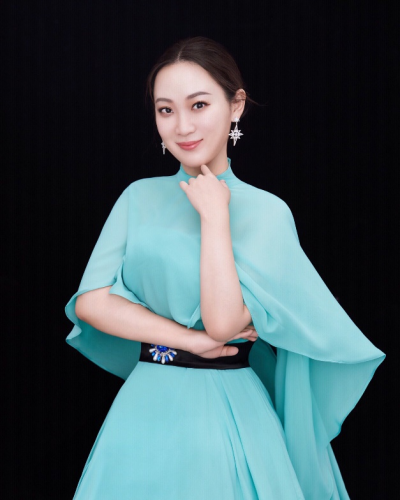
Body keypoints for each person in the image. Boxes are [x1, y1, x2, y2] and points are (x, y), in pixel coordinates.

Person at [65, 36, 385, 500]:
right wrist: (190, 340)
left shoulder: (268, 213)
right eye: (166, 110)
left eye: (198, 105)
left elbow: (222, 323)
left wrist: (216, 218)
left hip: (228, 409)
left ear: (236, 106)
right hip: (143, 409)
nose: (182, 126)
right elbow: (91, 304)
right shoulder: (138, 197)